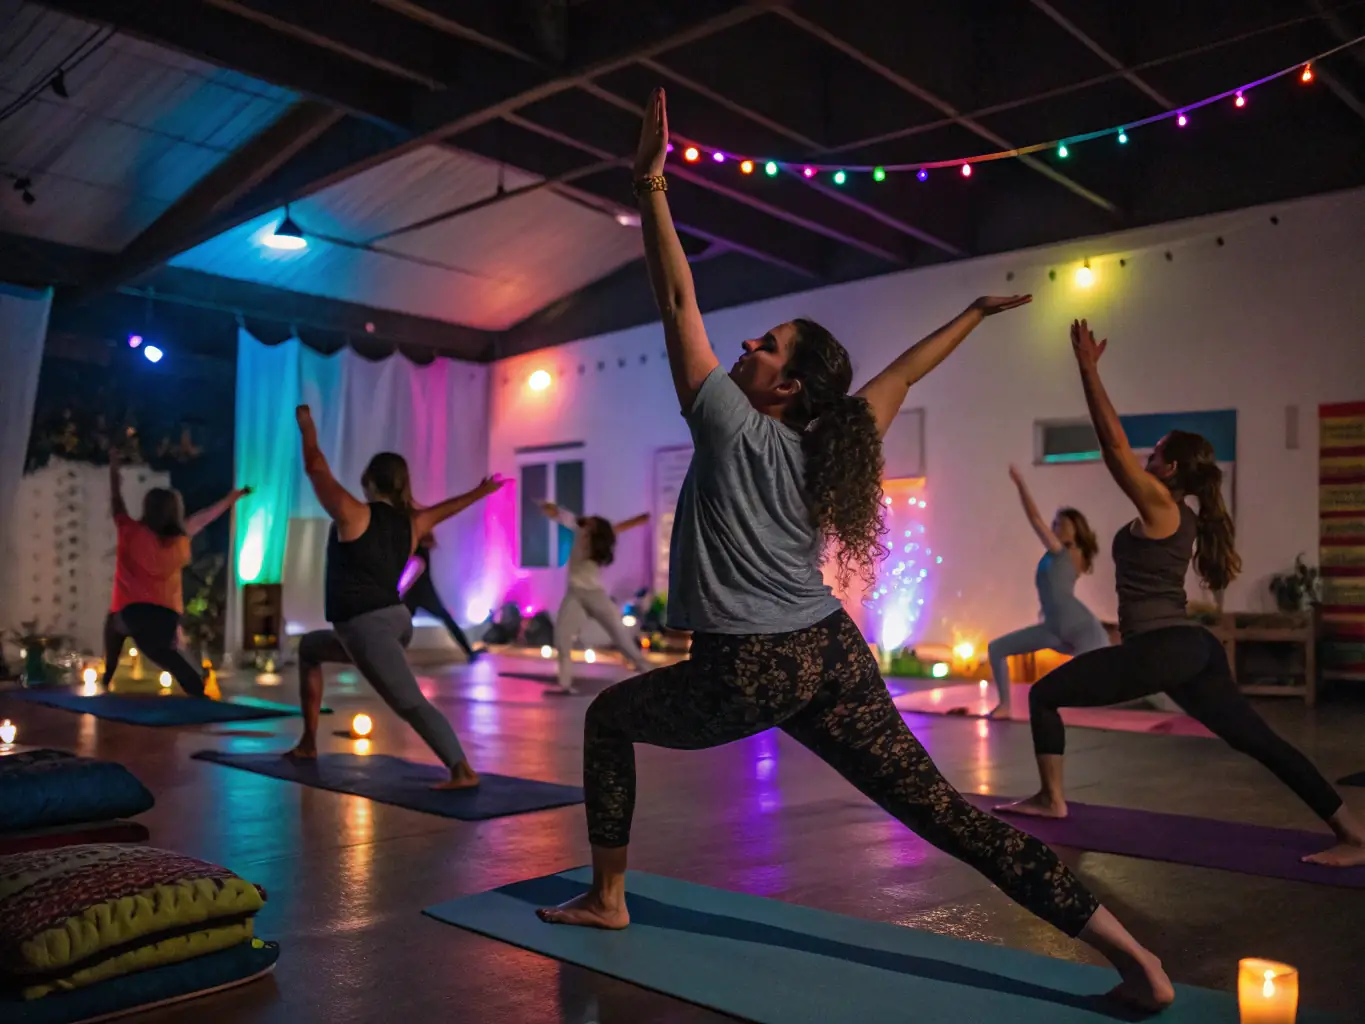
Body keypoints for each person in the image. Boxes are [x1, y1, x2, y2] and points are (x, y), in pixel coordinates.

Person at [537, 88, 1176, 1013]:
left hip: (750, 665)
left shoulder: (724, 420)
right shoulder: (837, 438)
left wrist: (649, 182)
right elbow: (907, 370)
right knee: (947, 817)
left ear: (786, 385)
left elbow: (676, 294)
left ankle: (606, 898)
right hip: (827, 654)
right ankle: (1134, 959)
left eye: (766, 346)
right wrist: (970, 312)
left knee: (607, 723)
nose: (746, 347)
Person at [998, 320, 1365, 869]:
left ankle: (1052, 799)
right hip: (1191, 649)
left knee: (1044, 695)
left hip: (1162, 648)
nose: (1146, 457)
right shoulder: (1182, 516)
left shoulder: (1163, 506)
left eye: (1157, 453)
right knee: (1258, 741)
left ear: (1168, 469)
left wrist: (1088, 370)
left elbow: (1113, 445)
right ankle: (1354, 833)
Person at [287, 405, 503, 790]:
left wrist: (307, 429)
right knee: (310, 649)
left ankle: (461, 770)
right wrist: (481, 491)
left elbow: (316, 468)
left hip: (367, 628)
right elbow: (448, 508)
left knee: (409, 702)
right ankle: (307, 743)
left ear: (368, 480)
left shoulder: (354, 514)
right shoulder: (413, 522)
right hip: (393, 621)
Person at [103, 449, 248, 696]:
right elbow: (205, 517)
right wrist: (232, 498)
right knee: (166, 656)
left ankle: (108, 674)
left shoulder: (130, 531)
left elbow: (116, 501)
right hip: (167, 617)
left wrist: (114, 468)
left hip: (135, 613)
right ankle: (197, 690)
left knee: (114, 625)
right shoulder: (180, 539)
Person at [984, 468, 1108, 718]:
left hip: (1080, 628)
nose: (1054, 527)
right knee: (997, 648)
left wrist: (1020, 484)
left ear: (1075, 529)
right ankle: (1005, 706)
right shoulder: (1066, 554)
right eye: (1054, 523)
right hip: (1055, 628)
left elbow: (1034, 518)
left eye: (1060, 523)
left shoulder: (1063, 551)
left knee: (1103, 686)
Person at [537, 501, 651, 694]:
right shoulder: (577, 530)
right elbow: (563, 516)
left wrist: (639, 520)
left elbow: (619, 527)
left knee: (619, 634)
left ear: (596, 529)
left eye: (592, 522)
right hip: (575, 594)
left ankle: (647, 671)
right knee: (563, 636)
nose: (587, 523)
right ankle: (564, 684)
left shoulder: (599, 541)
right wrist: (550, 509)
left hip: (595, 594)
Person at [403, 534, 479, 663]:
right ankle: (469, 651)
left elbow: (417, 566)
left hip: (417, 592)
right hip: (420, 592)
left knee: (402, 625)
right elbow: (417, 567)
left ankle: (469, 651)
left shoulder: (415, 547)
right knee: (403, 625)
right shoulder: (417, 547)